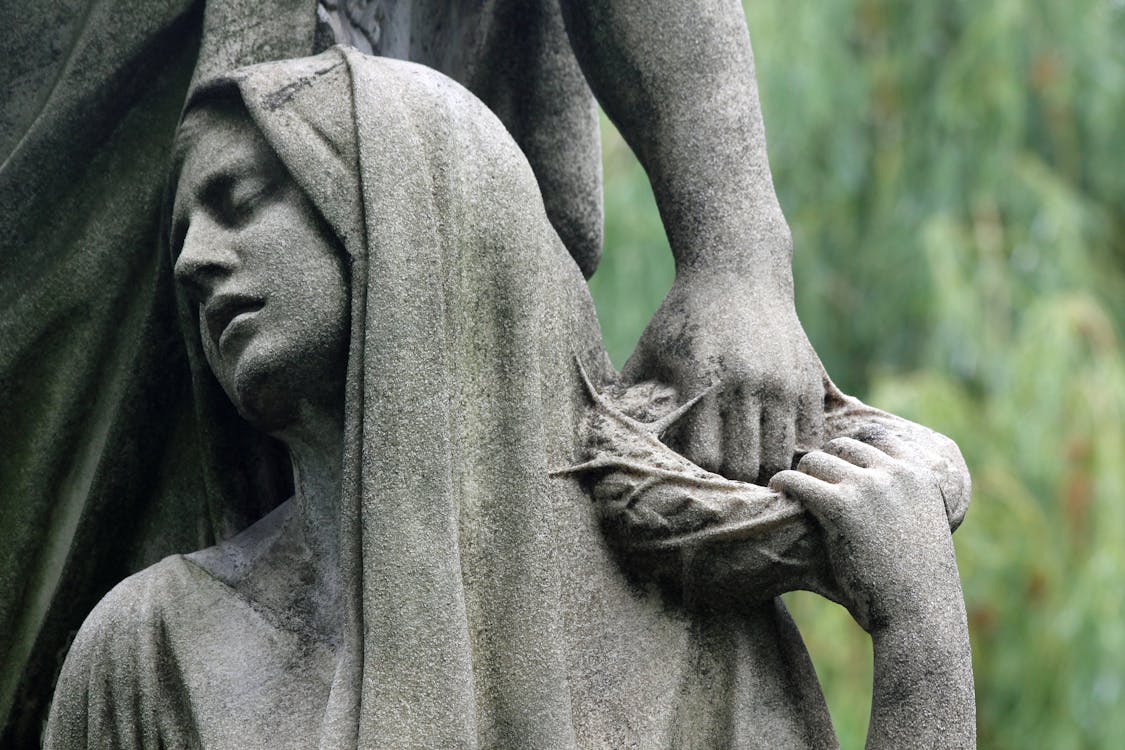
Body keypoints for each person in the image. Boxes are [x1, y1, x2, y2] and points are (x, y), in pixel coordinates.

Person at [45, 49, 973, 749]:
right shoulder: (151, 650)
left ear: (412, 210)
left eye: (241, 199)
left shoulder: (696, 643)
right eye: (186, 226)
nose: (194, 258)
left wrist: (922, 638)